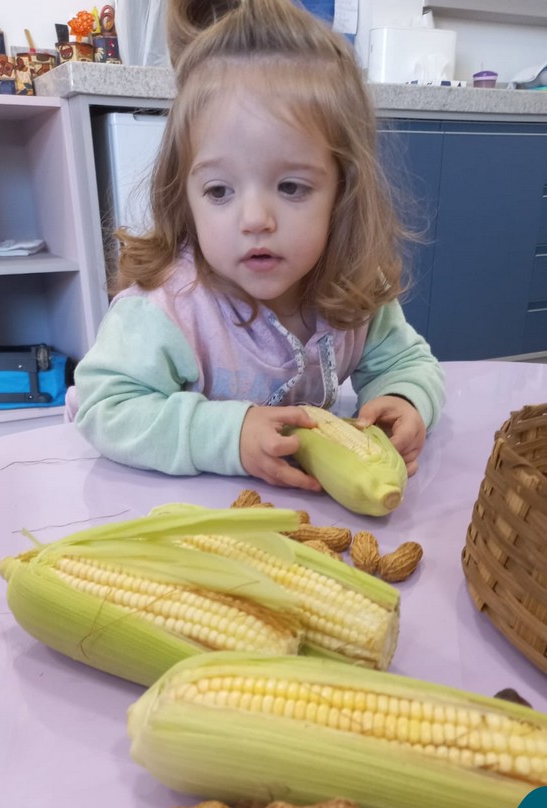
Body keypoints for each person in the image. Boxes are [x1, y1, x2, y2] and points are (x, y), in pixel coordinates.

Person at [74, 0, 445, 491]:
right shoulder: (168, 308)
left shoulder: (355, 291)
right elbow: (105, 406)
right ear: (184, 196)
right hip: (187, 514)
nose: (254, 220)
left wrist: (404, 399)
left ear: (343, 193)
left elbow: (407, 363)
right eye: (219, 191)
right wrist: (228, 434)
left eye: (291, 187)